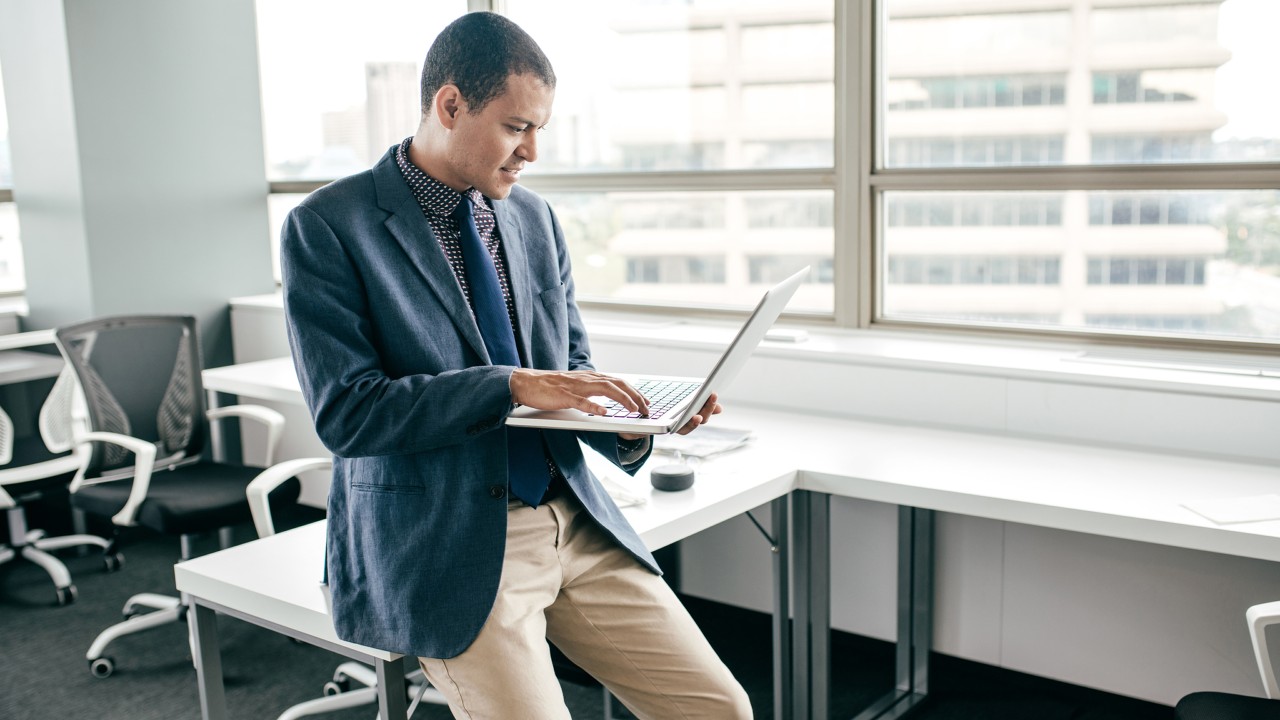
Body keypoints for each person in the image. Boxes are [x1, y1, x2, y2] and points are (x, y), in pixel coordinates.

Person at [280, 11, 752, 720]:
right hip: (449, 540)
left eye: (540, 129)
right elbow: (349, 412)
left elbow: (571, 365)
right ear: (449, 105)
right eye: (515, 127)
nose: (531, 150)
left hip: (574, 520)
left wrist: (637, 419)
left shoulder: (533, 219)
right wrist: (508, 387)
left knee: (720, 709)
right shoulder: (328, 226)